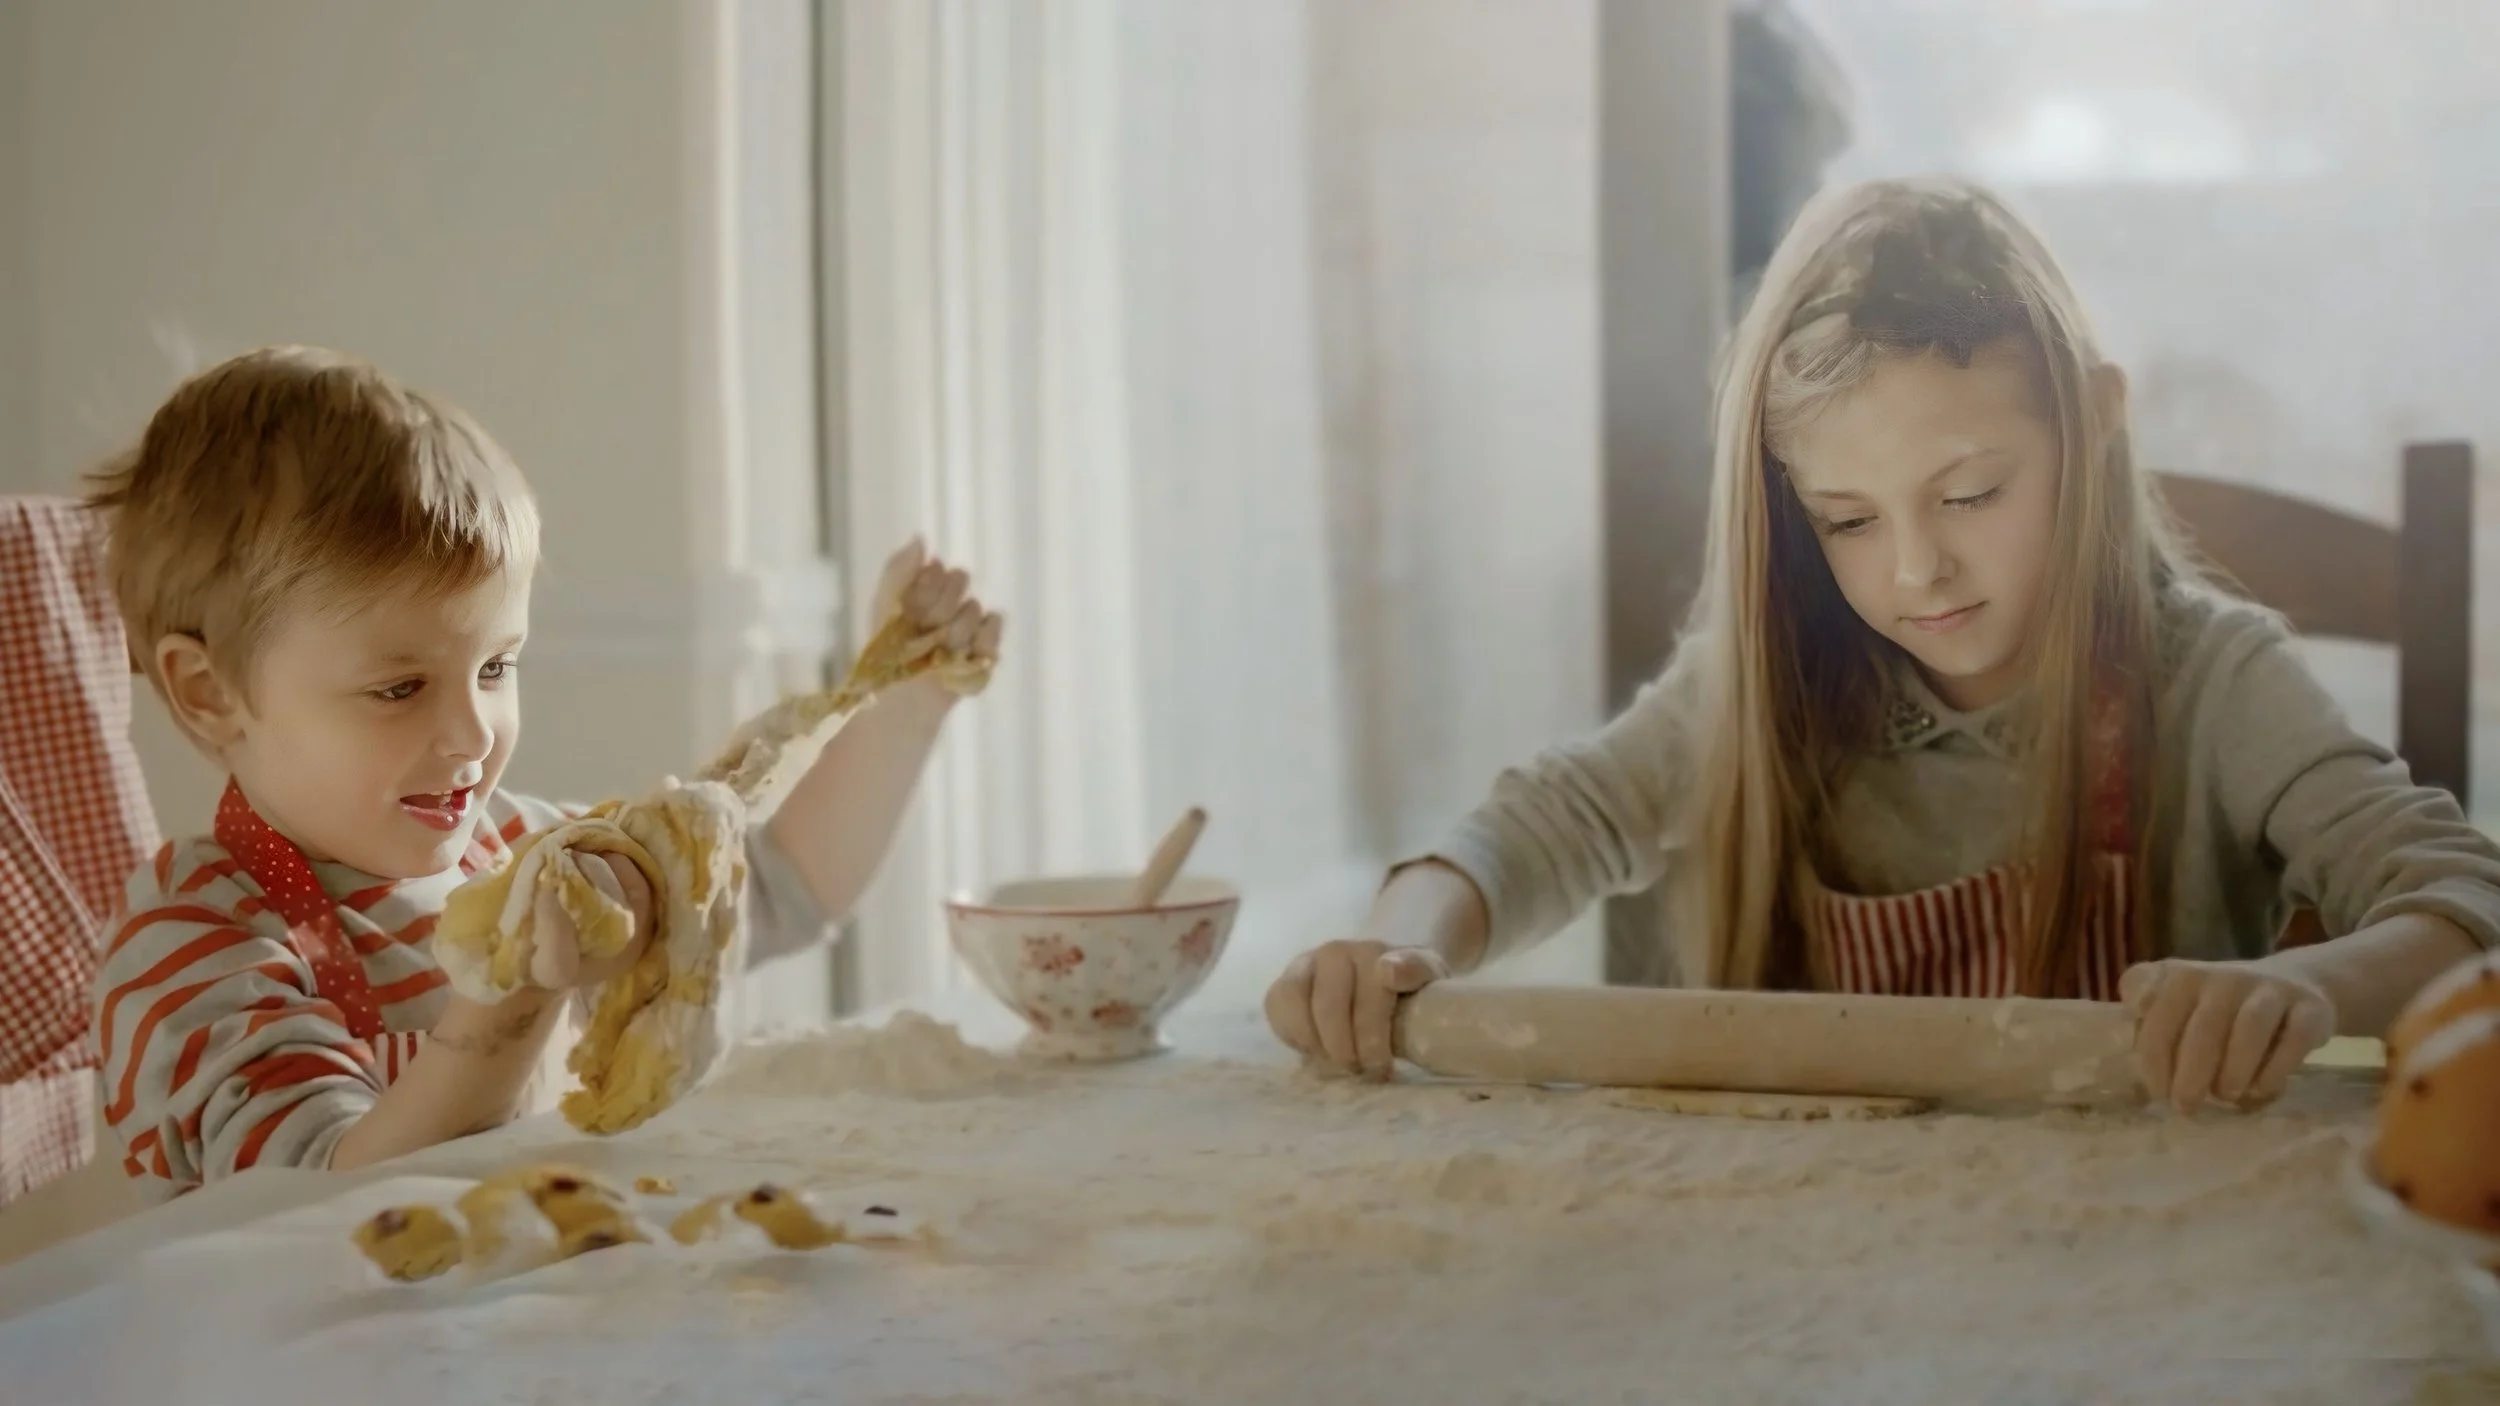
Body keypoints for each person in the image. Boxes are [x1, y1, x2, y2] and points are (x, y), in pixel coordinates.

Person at [1266, 176, 2500, 1113]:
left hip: (2135, 1260)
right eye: (1848, 519)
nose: (1916, 568)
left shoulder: (2215, 683)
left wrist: (2309, 989)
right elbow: (1531, 827)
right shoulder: (1768, 686)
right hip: (1808, 1263)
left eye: (1969, 494)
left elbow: (2462, 897)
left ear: (2100, 425)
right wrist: (1403, 936)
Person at [87, 345, 1000, 1201]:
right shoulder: (193, 945)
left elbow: (784, 887)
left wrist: (905, 703)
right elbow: (334, 1205)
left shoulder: (525, 849)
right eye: (399, 688)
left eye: (495, 668)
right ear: (210, 692)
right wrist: (519, 994)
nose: (472, 733)